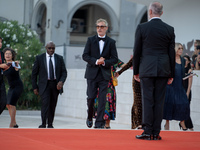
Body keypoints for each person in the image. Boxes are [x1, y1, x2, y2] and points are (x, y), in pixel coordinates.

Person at [133, 2, 175, 140]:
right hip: (163, 70)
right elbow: (171, 54)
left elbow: (137, 51)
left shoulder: (142, 27)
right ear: (161, 13)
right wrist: (171, 73)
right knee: (159, 101)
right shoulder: (169, 29)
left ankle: (147, 131)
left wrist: (136, 71)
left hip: (147, 69)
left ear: (150, 12)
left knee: (147, 100)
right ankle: (156, 133)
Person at [82, 18, 118, 129]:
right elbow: (85, 56)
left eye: (102, 26)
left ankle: (99, 123)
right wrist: (97, 61)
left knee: (102, 99)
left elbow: (115, 59)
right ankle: (89, 117)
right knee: (91, 97)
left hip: (104, 74)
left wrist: (104, 62)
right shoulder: (90, 40)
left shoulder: (111, 42)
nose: (99, 29)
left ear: (106, 28)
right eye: (98, 26)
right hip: (92, 73)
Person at [32, 41, 67, 128]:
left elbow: (64, 72)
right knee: (45, 103)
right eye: (49, 48)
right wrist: (34, 87)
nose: (51, 50)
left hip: (55, 85)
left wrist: (61, 81)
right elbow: (34, 74)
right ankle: (43, 123)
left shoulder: (59, 58)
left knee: (53, 104)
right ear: (46, 48)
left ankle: (50, 124)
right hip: (44, 85)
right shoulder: (39, 58)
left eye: (53, 48)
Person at [163, 43, 190, 131]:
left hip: (179, 86)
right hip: (170, 86)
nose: (181, 50)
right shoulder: (170, 59)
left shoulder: (183, 60)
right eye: (179, 48)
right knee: (169, 105)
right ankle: (167, 125)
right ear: (175, 49)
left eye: (181, 48)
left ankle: (182, 122)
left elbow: (182, 74)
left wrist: (188, 75)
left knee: (184, 104)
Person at [93, 59, 125, 129]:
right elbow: (125, 65)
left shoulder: (113, 59)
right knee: (107, 103)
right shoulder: (113, 59)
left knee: (106, 103)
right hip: (107, 86)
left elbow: (125, 66)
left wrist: (119, 72)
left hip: (105, 86)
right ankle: (104, 124)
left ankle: (104, 124)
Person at [116, 56, 142, 129]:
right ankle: (138, 124)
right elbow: (129, 64)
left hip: (148, 79)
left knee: (144, 102)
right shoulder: (138, 53)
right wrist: (119, 72)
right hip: (137, 80)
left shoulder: (151, 53)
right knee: (138, 101)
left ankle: (139, 123)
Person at [0, 47, 23, 128]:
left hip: (18, 86)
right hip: (11, 87)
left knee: (12, 104)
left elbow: (18, 66)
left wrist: (15, 63)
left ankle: (12, 124)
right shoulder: (3, 65)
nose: (8, 55)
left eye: (9, 54)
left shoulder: (14, 64)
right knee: (7, 105)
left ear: (12, 55)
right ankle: (14, 123)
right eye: (6, 54)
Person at [183, 55, 194, 131]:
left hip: (187, 91)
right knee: (182, 109)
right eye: (183, 60)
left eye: (186, 60)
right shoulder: (180, 69)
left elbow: (190, 85)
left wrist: (187, 93)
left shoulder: (189, 70)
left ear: (189, 61)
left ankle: (189, 127)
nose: (185, 61)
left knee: (186, 110)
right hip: (180, 91)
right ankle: (184, 126)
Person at [0, 36, 7, 115]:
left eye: (1, 42)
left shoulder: (2, 54)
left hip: (1, 80)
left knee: (3, 102)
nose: (0, 44)